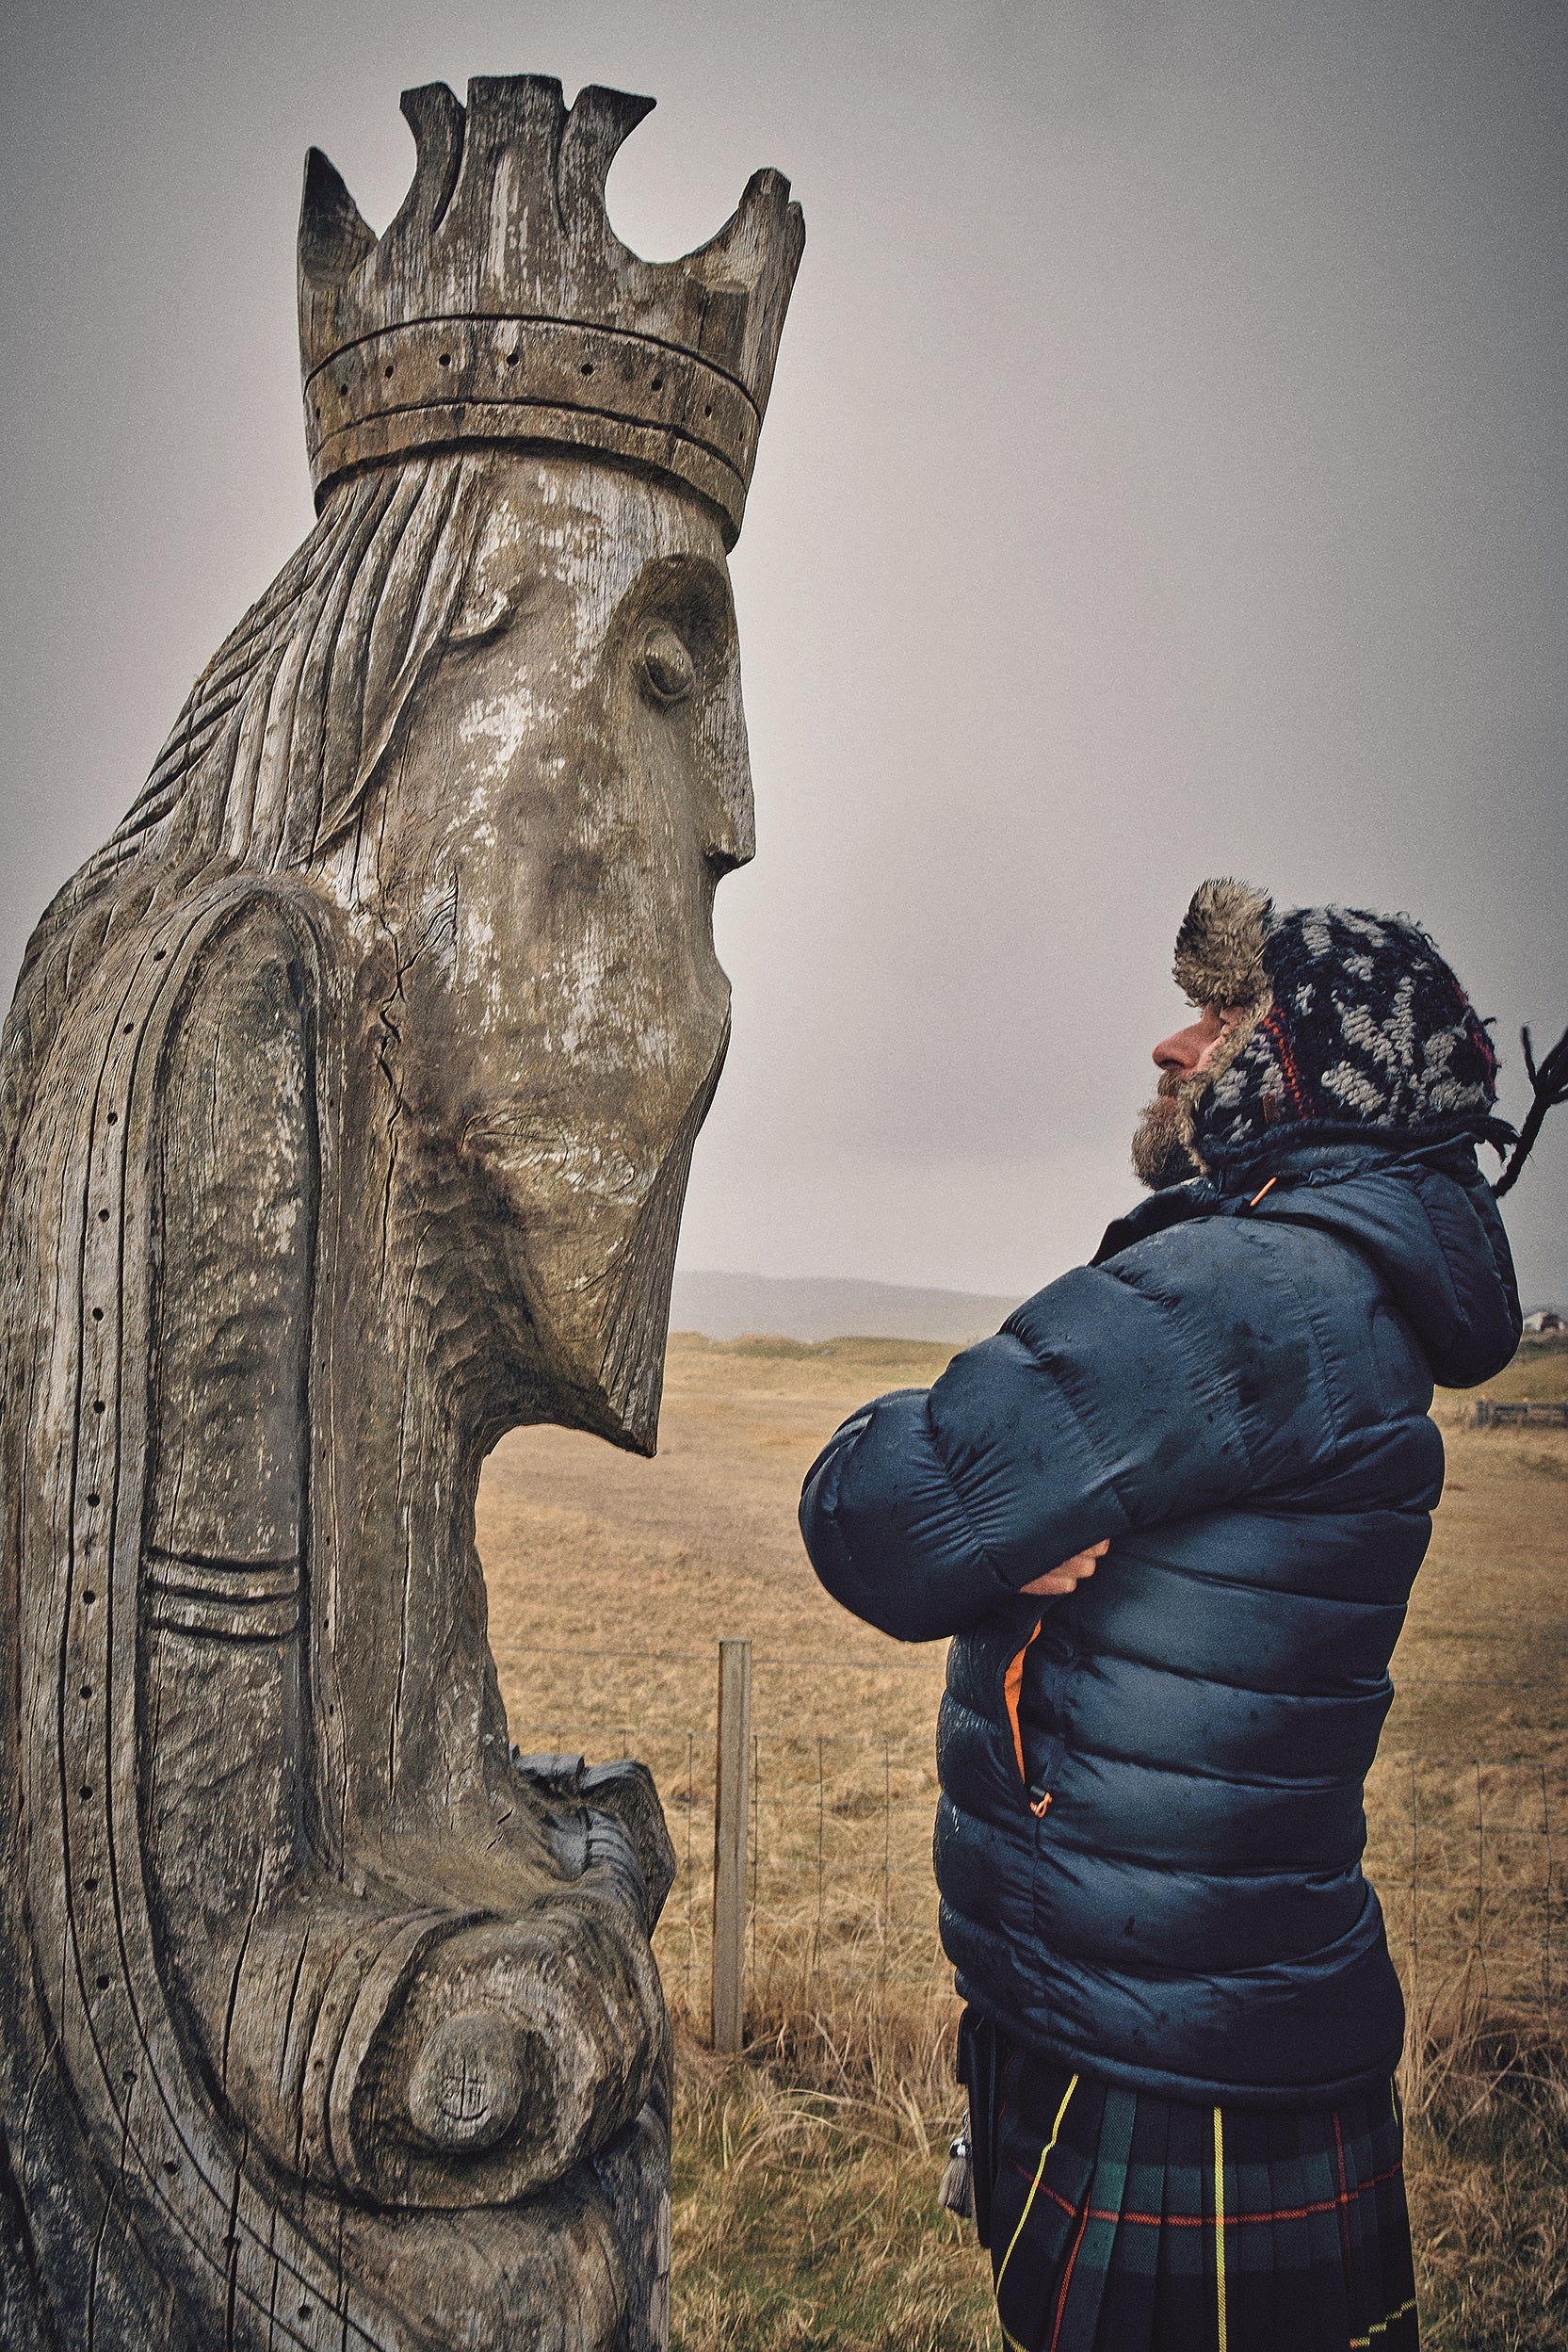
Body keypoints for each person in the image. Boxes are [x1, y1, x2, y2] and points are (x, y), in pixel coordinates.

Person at [798, 880, 1559, 2352]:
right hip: (1203, 2000)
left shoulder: (1246, 1288)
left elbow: (875, 1515)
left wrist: (951, 1493)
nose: (1171, 1045)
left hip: (1159, 2043)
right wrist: (1014, 1522)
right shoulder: (1348, 1280)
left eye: (1221, 1018)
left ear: (1312, 1070)